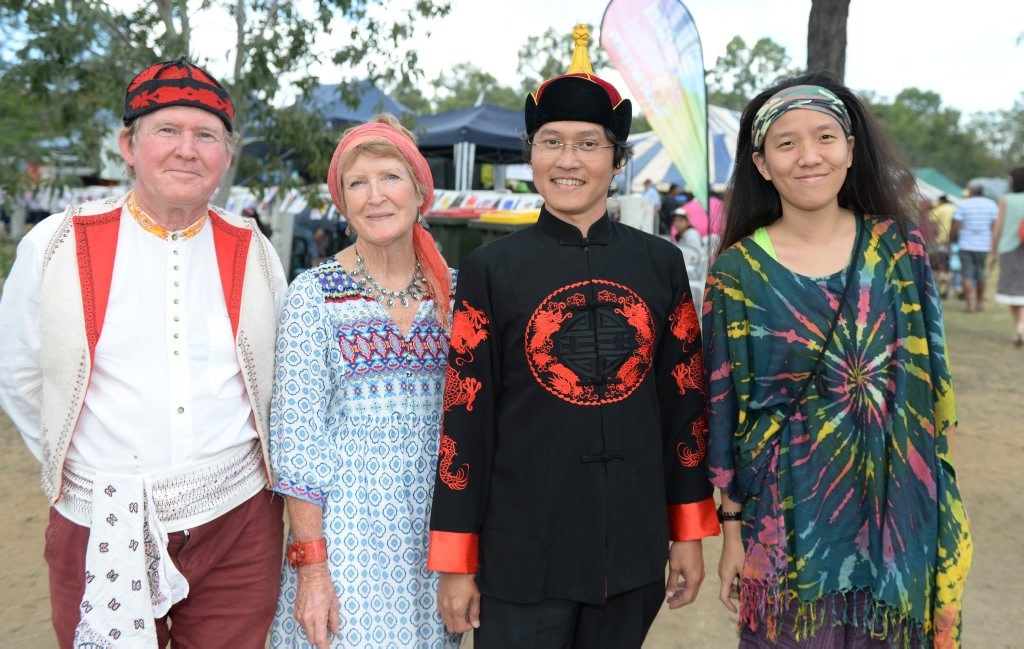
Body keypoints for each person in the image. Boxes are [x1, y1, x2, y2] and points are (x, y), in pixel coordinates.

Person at [427, 25, 718, 648]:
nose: (569, 160)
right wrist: (455, 559)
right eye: (552, 142)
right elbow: (464, 420)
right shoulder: (490, 270)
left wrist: (688, 531)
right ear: (530, 155)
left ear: (617, 159)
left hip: (632, 549)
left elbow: (684, 408)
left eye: (589, 143)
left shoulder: (661, 264)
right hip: (520, 551)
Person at [0, 57, 287, 647]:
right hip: (99, 521)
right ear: (128, 145)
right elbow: (20, 375)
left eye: (206, 135)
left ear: (226, 155)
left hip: (238, 521)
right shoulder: (55, 244)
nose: (188, 150)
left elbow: (276, 381)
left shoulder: (255, 250)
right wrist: (82, 466)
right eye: (167, 131)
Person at [703, 72, 973, 647]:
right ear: (761, 162)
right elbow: (727, 413)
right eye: (786, 143)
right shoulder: (737, 273)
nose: (808, 157)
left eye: (825, 137)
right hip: (789, 531)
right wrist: (731, 532)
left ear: (851, 149)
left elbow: (931, 395)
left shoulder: (902, 250)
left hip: (898, 521)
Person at [268, 114, 460, 649]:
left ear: (421, 190)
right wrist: (311, 571)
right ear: (342, 201)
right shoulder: (314, 296)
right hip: (347, 546)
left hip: (435, 547)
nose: (376, 196)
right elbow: (296, 443)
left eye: (390, 177)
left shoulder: (457, 297)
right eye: (357, 183)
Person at [989, 166, 1024, 346]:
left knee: (1013, 290)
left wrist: (993, 252)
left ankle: (1019, 326)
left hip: (1009, 247)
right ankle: (1021, 326)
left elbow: (998, 228)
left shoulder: (1005, 199)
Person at [950, 184, 998, 312]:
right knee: (980, 273)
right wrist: (994, 243)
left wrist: (951, 239)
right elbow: (994, 226)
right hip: (983, 246)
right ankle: (980, 302)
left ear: (970, 192)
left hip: (965, 244)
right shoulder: (991, 204)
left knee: (967, 275)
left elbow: (956, 225)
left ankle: (969, 305)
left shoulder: (962, 204)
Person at [929, 194, 957, 298]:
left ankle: (941, 283)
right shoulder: (955, 208)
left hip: (941, 240)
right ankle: (950, 287)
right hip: (954, 241)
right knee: (949, 267)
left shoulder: (940, 209)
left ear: (941, 201)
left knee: (938, 266)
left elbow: (930, 219)